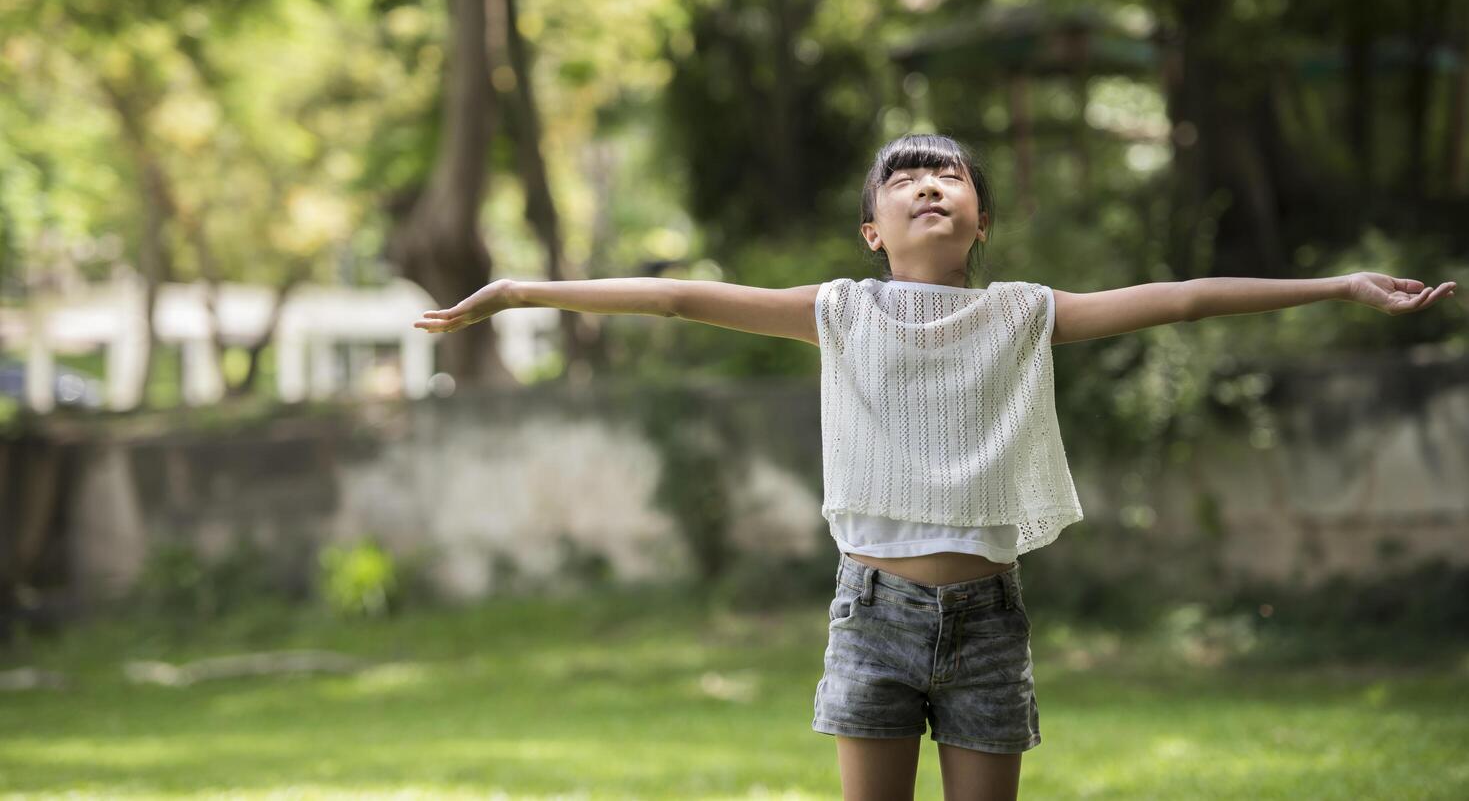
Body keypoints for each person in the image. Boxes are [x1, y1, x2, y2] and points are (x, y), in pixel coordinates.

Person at [412, 132, 1457, 801]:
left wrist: (1334, 286)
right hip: (870, 616)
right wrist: (515, 291)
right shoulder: (839, 310)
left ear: (978, 219)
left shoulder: (1022, 313)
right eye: (903, 177)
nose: (926, 184)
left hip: (988, 623)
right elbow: (680, 296)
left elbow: (1179, 296)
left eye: (947, 174)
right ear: (873, 229)